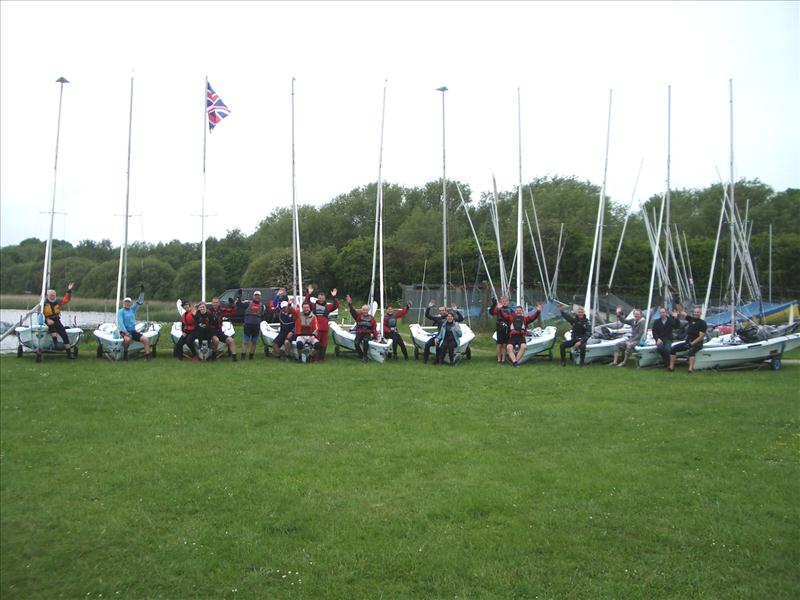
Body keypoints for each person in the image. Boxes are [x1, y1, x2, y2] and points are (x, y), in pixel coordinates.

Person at [498, 303, 542, 367]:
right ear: (515, 311)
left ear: (521, 312)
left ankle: (515, 362)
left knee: (524, 346)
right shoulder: (510, 317)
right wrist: (499, 309)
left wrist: (538, 311)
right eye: (517, 310)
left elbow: (533, 317)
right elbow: (503, 315)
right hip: (512, 337)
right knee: (509, 347)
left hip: (521, 337)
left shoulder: (525, 319)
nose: (518, 311)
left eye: (520, 310)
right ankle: (515, 363)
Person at [40, 282, 76, 359]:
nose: (53, 296)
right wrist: (46, 319)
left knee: (64, 334)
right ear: (48, 295)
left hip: (56, 319)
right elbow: (39, 314)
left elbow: (66, 299)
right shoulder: (43, 303)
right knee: (51, 324)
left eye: (54, 295)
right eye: (51, 295)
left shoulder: (58, 301)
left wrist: (69, 290)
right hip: (47, 319)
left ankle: (69, 354)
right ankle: (55, 342)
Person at [304, 285, 339, 361]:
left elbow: (336, 305)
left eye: (322, 298)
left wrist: (334, 297)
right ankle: (314, 358)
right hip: (316, 330)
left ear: (324, 298)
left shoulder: (328, 307)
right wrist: (309, 294)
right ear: (317, 298)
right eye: (319, 298)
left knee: (324, 344)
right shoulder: (313, 306)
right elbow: (306, 302)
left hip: (325, 329)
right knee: (316, 344)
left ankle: (321, 358)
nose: (321, 299)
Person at [116, 285, 151, 360]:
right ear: (124, 303)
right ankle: (125, 353)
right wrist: (126, 332)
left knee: (146, 340)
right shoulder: (120, 311)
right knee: (128, 340)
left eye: (129, 302)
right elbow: (120, 322)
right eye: (126, 302)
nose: (127, 303)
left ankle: (147, 356)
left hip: (133, 331)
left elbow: (140, 301)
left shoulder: (132, 309)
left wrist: (142, 292)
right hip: (124, 331)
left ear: (131, 303)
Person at [669, 306, 707, 373]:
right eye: (695, 312)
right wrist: (677, 303)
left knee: (691, 351)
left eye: (697, 312)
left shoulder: (702, 323)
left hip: (697, 343)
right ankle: (671, 367)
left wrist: (692, 343)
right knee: (673, 349)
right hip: (687, 342)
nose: (696, 313)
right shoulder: (691, 319)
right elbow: (682, 312)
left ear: (700, 313)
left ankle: (690, 369)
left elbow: (701, 337)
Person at [346, 294, 378, 363]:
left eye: (366, 310)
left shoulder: (372, 319)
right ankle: (361, 355)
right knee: (356, 343)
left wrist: (375, 337)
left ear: (368, 310)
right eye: (364, 310)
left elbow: (374, 328)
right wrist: (349, 303)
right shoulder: (358, 316)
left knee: (366, 341)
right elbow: (352, 310)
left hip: (367, 334)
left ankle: (365, 356)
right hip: (359, 333)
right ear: (362, 310)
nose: (365, 311)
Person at [236, 289, 265, 360]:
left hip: (256, 326)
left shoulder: (262, 306)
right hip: (247, 325)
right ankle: (243, 356)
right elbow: (238, 304)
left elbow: (263, 316)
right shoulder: (248, 303)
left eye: (258, 296)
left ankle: (251, 356)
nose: (257, 297)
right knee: (245, 341)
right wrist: (239, 296)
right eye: (256, 296)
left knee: (254, 342)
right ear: (253, 296)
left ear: (260, 297)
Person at [210, 296, 238, 361]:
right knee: (216, 340)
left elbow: (232, 312)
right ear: (212, 303)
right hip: (211, 331)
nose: (215, 304)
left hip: (219, 331)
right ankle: (213, 355)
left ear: (219, 303)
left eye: (216, 302)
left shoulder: (221, 310)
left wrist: (233, 305)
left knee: (231, 340)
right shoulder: (209, 311)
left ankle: (234, 358)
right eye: (214, 302)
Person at [489, 295, 513, 364]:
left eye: (506, 301)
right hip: (500, 328)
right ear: (500, 302)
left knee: (505, 344)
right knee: (499, 344)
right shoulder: (498, 308)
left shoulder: (510, 309)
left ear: (508, 302)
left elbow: (510, 318)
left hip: (507, 328)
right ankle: (499, 359)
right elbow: (492, 312)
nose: (504, 302)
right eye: (503, 301)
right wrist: (494, 304)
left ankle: (503, 359)